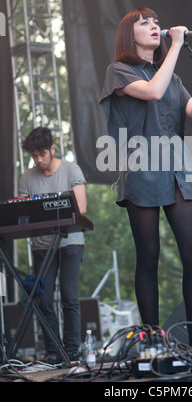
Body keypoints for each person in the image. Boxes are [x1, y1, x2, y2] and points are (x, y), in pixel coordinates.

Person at [100, 7, 192, 347]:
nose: (154, 26)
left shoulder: (171, 77)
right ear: (129, 34)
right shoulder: (118, 71)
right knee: (148, 255)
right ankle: (153, 341)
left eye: (155, 21)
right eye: (144, 22)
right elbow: (152, 91)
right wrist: (178, 45)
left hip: (179, 166)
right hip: (142, 167)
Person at [19, 127, 87, 362]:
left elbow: (82, 208)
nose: (38, 160)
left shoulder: (71, 169)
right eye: (34, 156)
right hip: (41, 245)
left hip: (71, 242)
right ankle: (53, 351)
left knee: (69, 296)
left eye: (42, 155)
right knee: (44, 299)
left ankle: (71, 351)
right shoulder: (26, 177)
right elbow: (22, 212)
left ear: (52, 149)